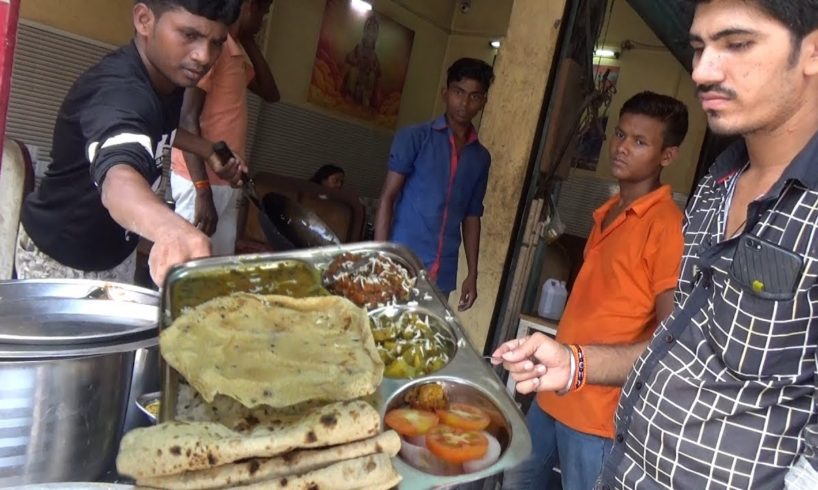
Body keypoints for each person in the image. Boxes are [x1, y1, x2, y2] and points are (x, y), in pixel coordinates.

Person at [493, 0, 818, 488]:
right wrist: (576, 361)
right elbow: (678, 344)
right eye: (698, 47)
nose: (704, 70)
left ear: (812, 52)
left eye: (737, 43)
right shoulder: (716, 187)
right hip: (627, 461)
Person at [502, 91, 689, 490]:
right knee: (518, 478)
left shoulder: (667, 225)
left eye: (640, 142)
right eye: (620, 135)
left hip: (600, 413)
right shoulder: (608, 212)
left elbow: (671, 333)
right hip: (554, 390)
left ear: (667, 155)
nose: (622, 148)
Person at [16, 0, 247, 286]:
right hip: (62, 257)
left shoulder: (165, 78)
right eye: (190, 35)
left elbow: (157, 126)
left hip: (114, 251)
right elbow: (118, 177)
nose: (204, 56)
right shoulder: (119, 91)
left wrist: (206, 149)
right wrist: (171, 229)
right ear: (143, 19)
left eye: (217, 43)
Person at [375, 57, 494, 311]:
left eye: (474, 96)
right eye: (458, 92)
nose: (464, 102)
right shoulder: (414, 138)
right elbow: (388, 197)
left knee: (427, 345)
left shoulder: (480, 158)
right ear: (445, 93)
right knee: (385, 342)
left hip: (443, 275)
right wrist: (379, 258)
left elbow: (472, 217)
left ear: (483, 102)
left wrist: (472, 274)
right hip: (400, 266)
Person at [170, 0, 279, 256]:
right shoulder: (214, 48)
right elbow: (187, 117)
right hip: (201, 180)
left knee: (213, 272)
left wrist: (249, 40)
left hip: (227, 180)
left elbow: (271, 93)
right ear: (249, 6)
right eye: (263, 11)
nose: (263, 19)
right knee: (187, 267)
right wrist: (202, 191)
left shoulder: (234, 50)